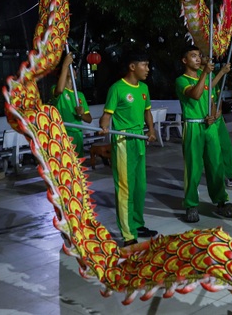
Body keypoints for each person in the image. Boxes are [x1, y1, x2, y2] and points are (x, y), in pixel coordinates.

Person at [99, 52, 158, 247]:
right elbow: (107, 115)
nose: (148, 69)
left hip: (139, 139)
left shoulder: (144, 88)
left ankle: (138, 224)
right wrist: (104, 126)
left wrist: (151, 129)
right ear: (132, 67)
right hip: (123, 140)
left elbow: (147, 112)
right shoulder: (117, 88)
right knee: (125, 188)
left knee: (140, 186)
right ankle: (128, 233)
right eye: (145, 64)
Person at [175, 45, 232, 223]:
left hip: (209, 127)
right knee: (193, 167)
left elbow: (210, 98)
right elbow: (195, 94)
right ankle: (191, 204)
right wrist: (204, 74)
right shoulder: (181, 80)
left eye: (198, 56)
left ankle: (221, 201)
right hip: (193, 126)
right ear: (184, 60)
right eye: (192, 56)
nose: (197, 58)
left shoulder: (207, 78)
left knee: (215, 164)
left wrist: (213, 114)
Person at [52, 53, 92, 158]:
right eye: (68, 68)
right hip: (63, 133)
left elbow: (89, 119)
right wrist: (65, 65)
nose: (71, 69)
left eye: (72, 68)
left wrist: (82, 114)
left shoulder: (80, 95)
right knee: (66, 165)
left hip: (78, 133)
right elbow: (59, 90)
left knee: (78, 165)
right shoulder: (56, 89)